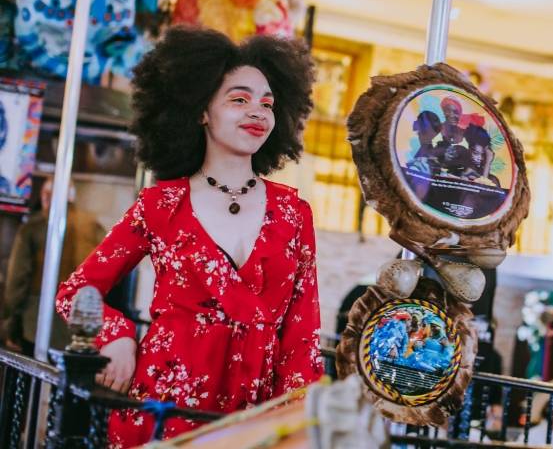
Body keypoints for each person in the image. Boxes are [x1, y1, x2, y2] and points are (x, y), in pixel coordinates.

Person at [54, 26, 320, 446]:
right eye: (239, 99)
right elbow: (75, 291)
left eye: (267, 103)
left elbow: (302, 336)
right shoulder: (160, 205)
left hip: (256, 414)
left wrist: (300, 419)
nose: (258, 112)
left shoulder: (294, 214)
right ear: (200, 111)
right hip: (162, 408)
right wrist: (118, 336)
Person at [4, 178, 105, 356]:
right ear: (72, 196)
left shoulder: (33, 228)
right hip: (80, 327)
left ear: (46, 197)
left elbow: (17, 281)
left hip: (35, 325)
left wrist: (10, 326)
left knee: (31, 381)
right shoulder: (94, 228)